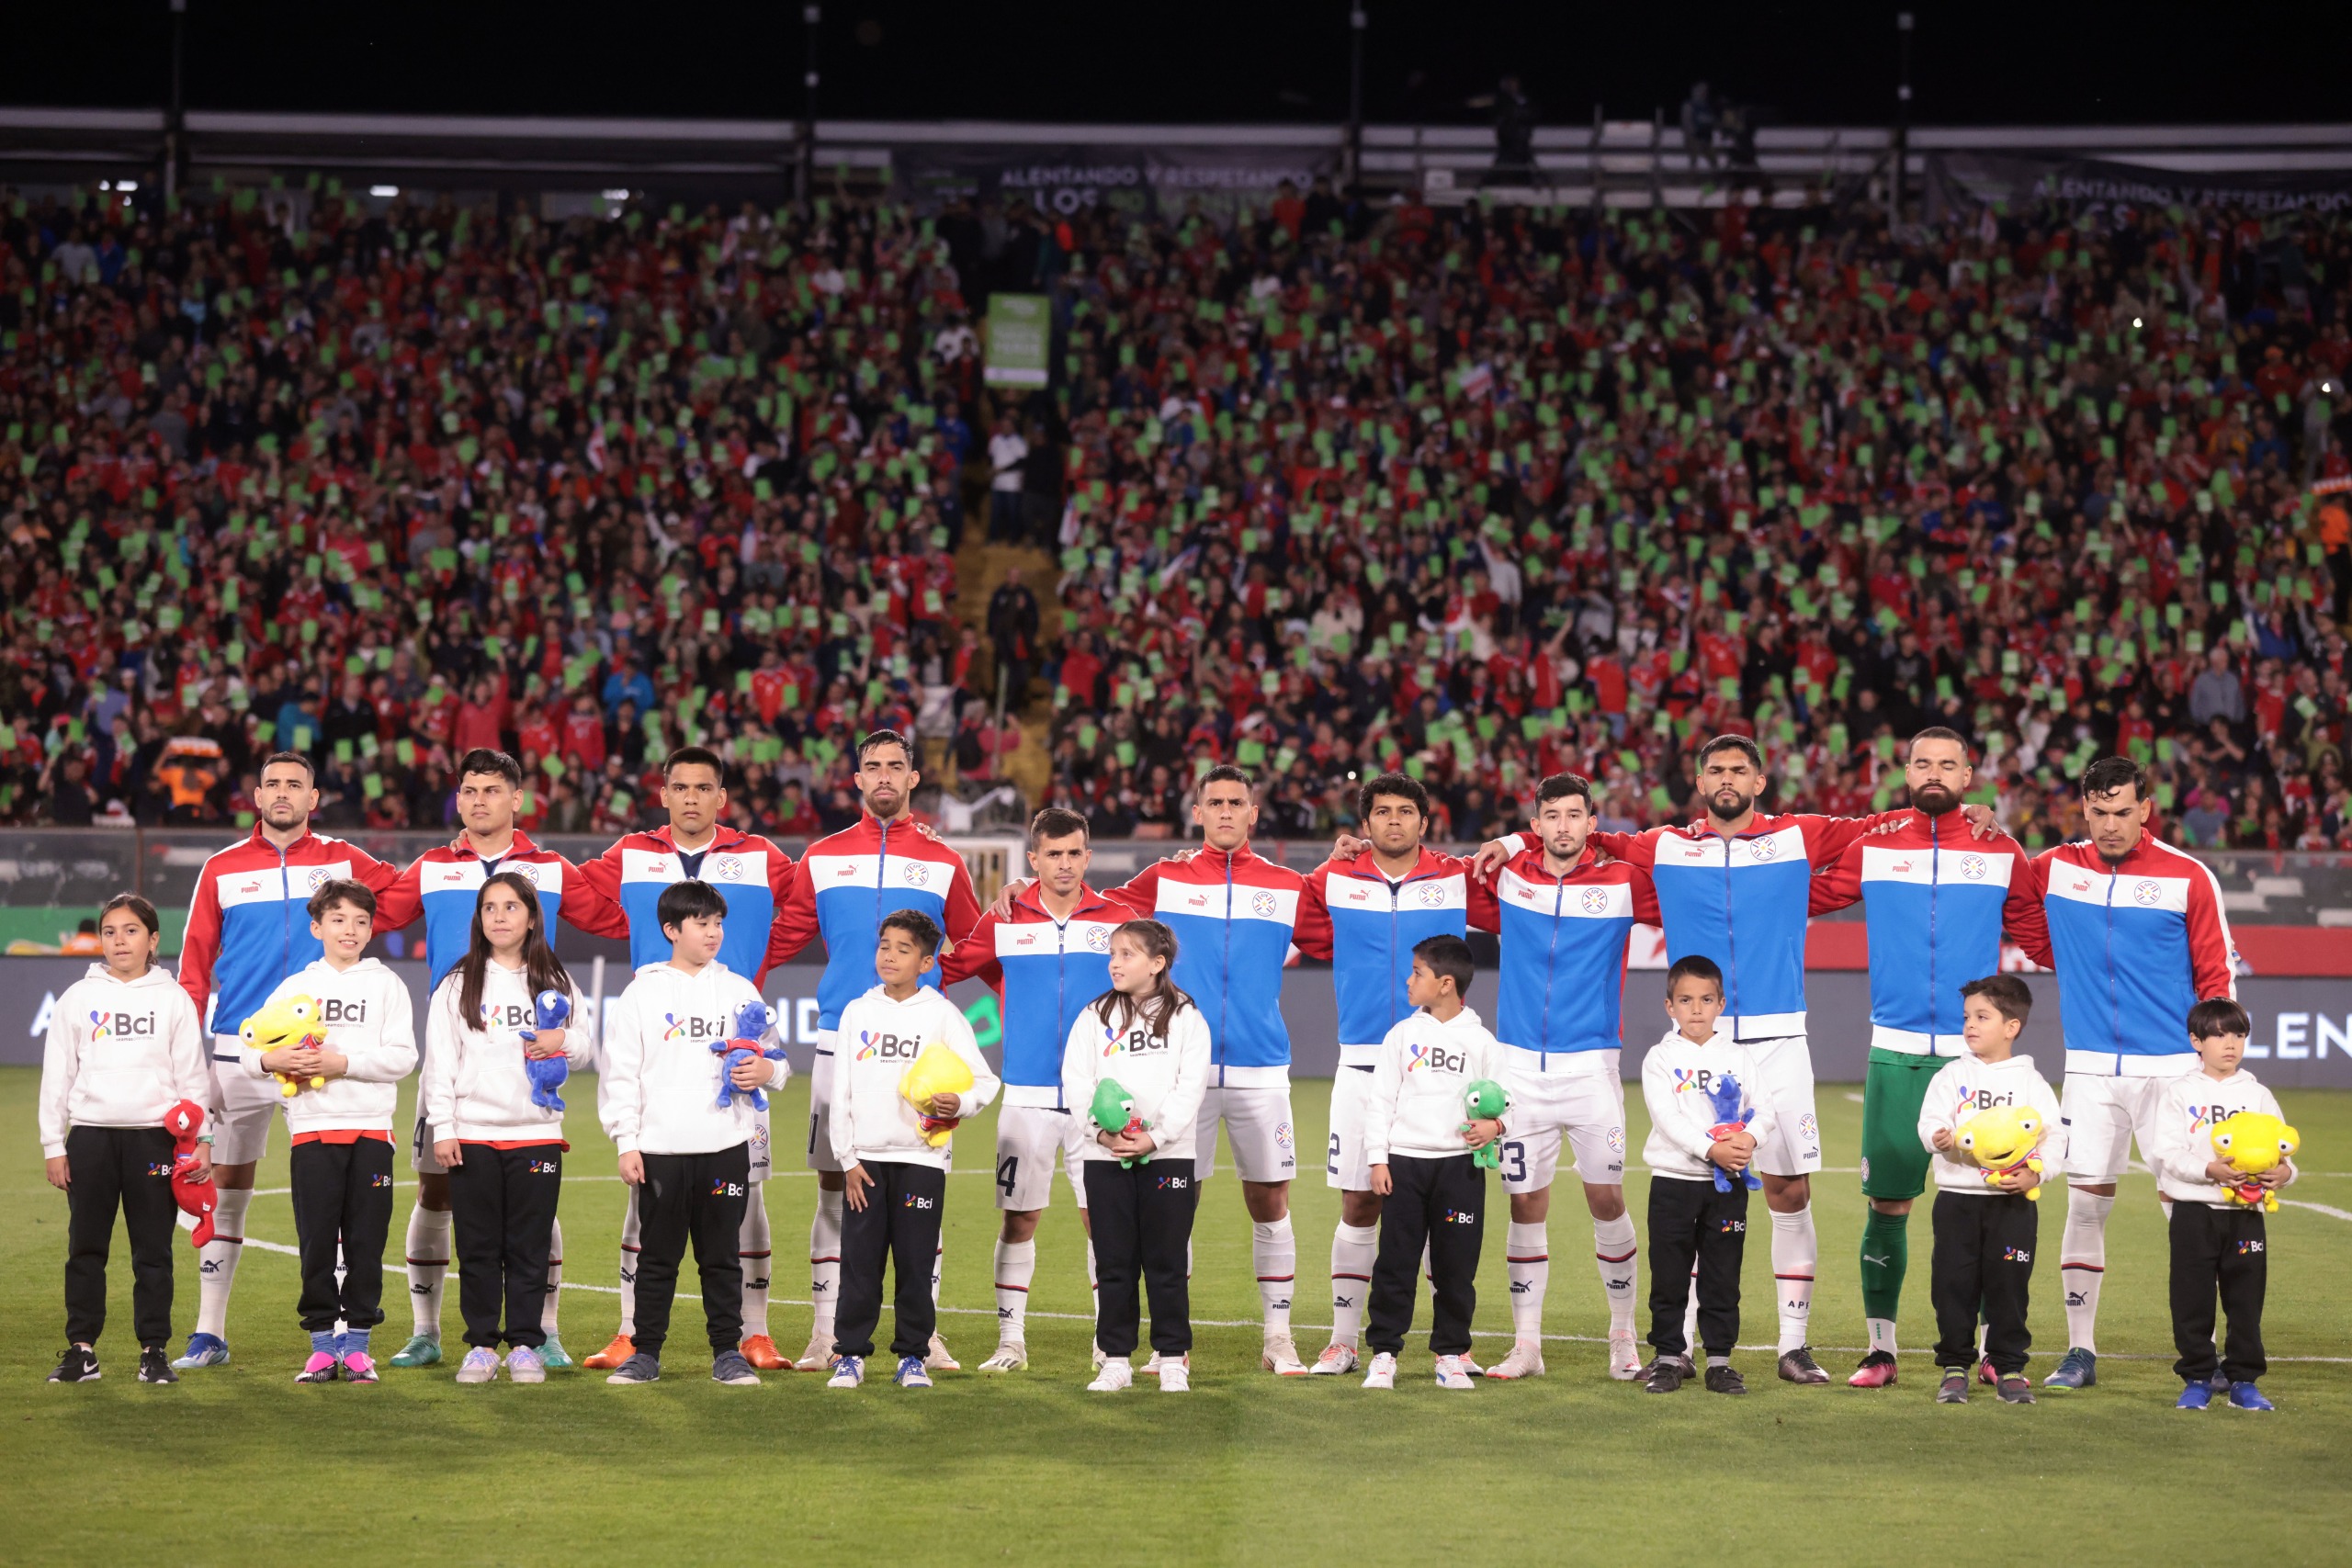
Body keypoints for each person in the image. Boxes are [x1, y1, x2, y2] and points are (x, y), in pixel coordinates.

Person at [1469, 736, 1990, 1383]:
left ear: (1761, 779)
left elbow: (1884, 821)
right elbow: (1580, 837)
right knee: (1690, 1195)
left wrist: (1970, 816)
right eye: (1715, 769)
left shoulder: (1800, 835)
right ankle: (1676, 1345)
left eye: (1738, 769)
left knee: (1789, 1189)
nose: (1726, 779)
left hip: (1777, 1040)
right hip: (1700, 1045)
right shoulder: (1666, 844)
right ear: (1698, 779)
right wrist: (1519, 841)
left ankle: (1792, 1345)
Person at [1807, 728, 2051, 1387]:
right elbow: (1800, 894)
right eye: (1923, 762)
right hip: (1897, 1051)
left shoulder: (2000, 848)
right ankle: (1881, 1349)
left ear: (1970, 775)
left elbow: (2042, 932)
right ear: (1906, 772)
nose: (1934, 772)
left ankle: (1979, 1351)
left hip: (1979, 1064)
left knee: (1982, 1207)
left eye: (1948, 763)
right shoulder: (1876, 844)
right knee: (1887, 1204)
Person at [373, 747, 627, 1372]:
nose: (478, 800)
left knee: (534, 1213)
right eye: (468, 790)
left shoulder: (553, 870)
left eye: (491, 789)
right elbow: (369, 913)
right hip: (457, 1057)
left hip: (530, 1075)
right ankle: (428, 1329)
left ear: (518, 799)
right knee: (438, 1192)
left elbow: (623, 919)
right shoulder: (432, 865)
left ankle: (543, 1330)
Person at [1093, 766, 1330, 1372]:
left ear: (1254, 813)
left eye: (1236, 803)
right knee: (1174, 1204)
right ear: (1197, 812)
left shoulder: (1287, 885)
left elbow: (1340, 934)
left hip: (1260, 1068)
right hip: (1177, 1071)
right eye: (1214, 802)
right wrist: (1027, 885)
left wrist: (1342, 861)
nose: (1225, 811)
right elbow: (1092, 911)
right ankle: (1172, 1342)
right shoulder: (1164, 878)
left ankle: (1278, 1336)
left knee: (1269, 1197)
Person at [575, 746, 803, 1373]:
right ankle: (633, 1334)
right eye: (681, 787)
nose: (693, 798)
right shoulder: (630, 854)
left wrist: (761, 961)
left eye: (705, 787)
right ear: (665, 794)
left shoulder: (761, 856)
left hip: (732, 1076)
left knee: (747, 1206)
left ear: (721, 797)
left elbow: (810, 901)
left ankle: (750, 1334)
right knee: (649, 1221)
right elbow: (575, 893)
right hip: (662, 1089)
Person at [171, 752, 398, 1371]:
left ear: (313, 796)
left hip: (324, 1057)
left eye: (294, 784)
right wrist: (187, 1057)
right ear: (255, 794)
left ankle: (345, 1341)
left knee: (343, 1193)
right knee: (226, 1186)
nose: (282, 792)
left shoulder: (344, 858)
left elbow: (401, 897)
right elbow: (193, 967)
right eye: (273, 783)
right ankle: (209, 1331)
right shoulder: (222, 868)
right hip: (240, 1053)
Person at [770, 728, 981, 1371]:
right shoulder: (823, 856)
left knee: (922, 1180)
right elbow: (782, 935)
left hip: (920, 1050)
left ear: (913, 777)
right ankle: (825, 1329)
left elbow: (971, 943)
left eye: (896, 766)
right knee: (835, 1183)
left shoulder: (946, 861)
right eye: (872, 767)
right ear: (857, 778)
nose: (884, 776)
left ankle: (926, 1332)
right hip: (841, 1037)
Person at [2031, 756, 2238, 1392]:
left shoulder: (2187, 876)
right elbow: (2018, 913)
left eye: (2124, 811)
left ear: (2146, 808)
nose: (2112, 824)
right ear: (2084, 810)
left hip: (2174, 1070)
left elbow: (2217, 978)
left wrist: (2219, 1071)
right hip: (2091, 1069)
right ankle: (2080, 1350)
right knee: (2086, 1201)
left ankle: (2209, 1354)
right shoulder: (2054, 868)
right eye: (2100, 812)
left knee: (2192, 1213)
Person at [1472, 773, 1661, 1382]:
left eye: (1574, 815)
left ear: (1589, 822)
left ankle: (1623, 1334)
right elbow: (1434, 869)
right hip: (1518, 1068)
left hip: (1591, 1068)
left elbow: (1681, 868)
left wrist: (1618, 844)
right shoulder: (1509, 877)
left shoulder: (1625, 882)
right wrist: (1503, 842)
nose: (1562, 826)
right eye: (1550, 815)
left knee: (1606, 1198)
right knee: (1524, 1203)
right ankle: (1527, 1344)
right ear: (1535, 823)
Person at [1298, 773, 1480, 1377]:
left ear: (1424, 821)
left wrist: (1510, 840)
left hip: (1442, 1068)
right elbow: (1286, 913)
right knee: (1358, 1201)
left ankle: (1451, 1344)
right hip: (1361, 1062)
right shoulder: (1334, 880)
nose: (1394, 821)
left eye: (1406, 811)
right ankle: (1344, 1339)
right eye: (1382, 812)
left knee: (1441, 1206)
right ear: (1365, 822)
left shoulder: (1457, 877)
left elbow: (1535, 891)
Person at [940, 806, 1122, 1372]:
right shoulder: (1007, 920)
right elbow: (948, 967)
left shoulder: (1118, 919)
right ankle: (1011, 1342)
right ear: (1034, 858)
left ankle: (1108, 1341)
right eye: (1053, 854)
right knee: (1019, 1219)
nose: (1064, 864)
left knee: (1104, 1220)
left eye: (1074, 854)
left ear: (1087, 858)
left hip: (1100, 1097)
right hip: (1026, 1094)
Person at [595, 880, 791, 1387]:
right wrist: (626, 1141)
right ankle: (645, 1353)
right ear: (671, 930)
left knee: (722, 1257)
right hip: (660, 1149)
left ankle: (727, 1352)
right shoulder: (642, 992)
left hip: (725, 1145)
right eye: (702, 923)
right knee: (657, 1258)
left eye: (718, 923)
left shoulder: (739, 989)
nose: (714, 933)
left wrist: (767, 1074)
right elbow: (620, 1074)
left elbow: (777, 1059)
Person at [239, 879, 417, 1383]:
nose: (351, 929)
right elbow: (250, 1047)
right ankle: (320, 1346)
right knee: (316, 1241)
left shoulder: (386, 985)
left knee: (366, 1242)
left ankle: (358, 1347)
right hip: (313, 1130)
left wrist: (344, 1063)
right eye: (338, 919)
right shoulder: (296, 987)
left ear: (371, 929)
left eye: (361, 921)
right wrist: (272, 1058)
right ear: (317, 927)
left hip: (370, 1132)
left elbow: (404, 1057)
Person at [420, 873, 594, 1384]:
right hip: (472, 1134)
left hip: (536, 1134)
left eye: (511, 907)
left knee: (529, 1244)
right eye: (490, 908)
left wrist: (561, 1038)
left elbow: (584, 1047)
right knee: (477, 1245)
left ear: (532, 917)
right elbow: (440, 1063)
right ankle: (480, 1346)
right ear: (479, 919)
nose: (500, 917)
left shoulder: (556, 981)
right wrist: (444, 1128)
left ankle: (524, 1344)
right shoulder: (457, 983)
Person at [825, 910, 1000, 1390]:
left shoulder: (942, 1014)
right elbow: (838, 1091)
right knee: (860, 1263)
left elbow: (985, 1080)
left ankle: (912, 1356)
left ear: (926, 963)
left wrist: (959, 1103)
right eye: (884, 945)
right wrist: (848, 1160)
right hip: (866, 1163)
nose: (889, 956)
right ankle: (851, 1355)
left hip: (922, 1159)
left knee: (916, 1263)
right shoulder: (857, 1012)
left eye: (903, 949)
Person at [40, 892, 208, 1385]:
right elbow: (57, 1076)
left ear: (153, 939)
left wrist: (203, 1141)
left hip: (153, 1142)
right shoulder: (78, 998)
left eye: (131, 931)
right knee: (85, 1248)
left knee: (153, 1251)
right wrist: (54, 1144)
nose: (119, 941)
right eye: (110, 931)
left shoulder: (171, 997)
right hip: (90, 1139)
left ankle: (153, 1351)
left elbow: (192, 1079)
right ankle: (81, 1351)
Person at [1062, 919, 1210, 1393]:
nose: (1115, 963)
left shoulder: (1187, 1017)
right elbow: (1078, 1084)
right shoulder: (1093, 1017)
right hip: (1104, 1158)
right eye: (1112, 953)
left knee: (1167, 1262)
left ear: (1158, 963)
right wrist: (1103, 1137)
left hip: (1169, 1157)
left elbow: (1191, 1087)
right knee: (1113, 1261)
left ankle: (1171, 1358)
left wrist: (1155, 1138)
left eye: (1127, 954)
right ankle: (1116, 1360)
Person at [1360, 936, 1508, 1392]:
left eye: (1417, 973)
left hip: (1459, 1170)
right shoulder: (1401, 1035)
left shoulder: (1482, 1041)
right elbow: (1380, 1100)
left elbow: (1507, 1102)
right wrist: (1377, 1160)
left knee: (1456, 1268)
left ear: (1445, 984)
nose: (1409, 980)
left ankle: (1450, 1355)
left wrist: (1496, 1128)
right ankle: (1384, 1354)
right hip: (1405, 1165)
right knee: (1395, 1263)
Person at [1918, 975, 2064, 1405]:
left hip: (2012, 1206)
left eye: (1983, 1017)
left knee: (2008, 1288)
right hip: (1957, 1201)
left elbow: (2054, 1138)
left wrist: (2037, 1175)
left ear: (2011, 1027)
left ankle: (2008, 1366)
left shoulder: (2031, 1083)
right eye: (1967, 1017)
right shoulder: (1951, 1076)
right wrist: (1938, 1138)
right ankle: (1954, 1367)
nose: (1970, 1025)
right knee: (1952, 1286)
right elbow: (1928, 1123)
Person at [2148, 998, 2294, 1412]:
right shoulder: (2180, 1092)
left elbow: (2283, 1151)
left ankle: (2244, 1381)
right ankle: (2197, 1376)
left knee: (2245, 1300)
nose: (2230, 1043)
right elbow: (2165, 1153)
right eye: (2218, 1034)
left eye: (2238, 1034)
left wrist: (2286, 1174)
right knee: (2191, 1298)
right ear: (2196, 1040)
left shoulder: (2258, 1094)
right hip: (2194, 1211)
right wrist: (2208, 1171)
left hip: (2246, 1215)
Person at [1636, 955, 1771, 1395]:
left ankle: (1720, 1361)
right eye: (1686, 1000)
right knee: (1669, 1273)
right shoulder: (1660, 1058)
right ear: (1669, 1006)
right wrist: (1712, 1149)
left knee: (1722, 1274)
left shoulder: (1739, 1057)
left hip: (1728, 1187)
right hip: (1674, 1182)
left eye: (1706, 1000)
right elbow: (1668, 1118)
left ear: (1721, 1004)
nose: (1697, 1009)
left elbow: (1764, 1110)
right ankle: (1668, 1358)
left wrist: (1748, 1141)